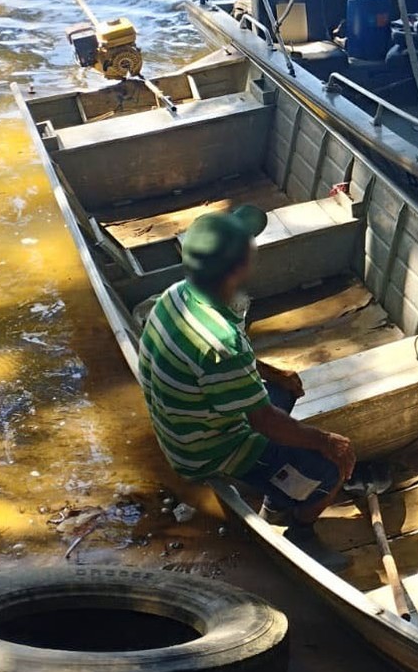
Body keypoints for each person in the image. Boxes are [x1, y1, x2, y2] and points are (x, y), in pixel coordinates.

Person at [137, 205, 356, 564]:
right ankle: (300, 530)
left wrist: (275, 374)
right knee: (332, 467)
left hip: (181, 428)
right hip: (204, 452)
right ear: (239, 268)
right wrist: (328, 442)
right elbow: (263, 421)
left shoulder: (177, 294)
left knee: (284, 388)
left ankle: (280, 492)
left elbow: (227, 369)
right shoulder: (223, 343)